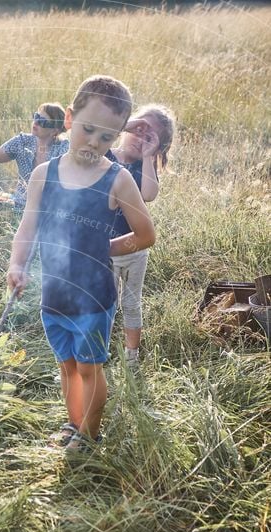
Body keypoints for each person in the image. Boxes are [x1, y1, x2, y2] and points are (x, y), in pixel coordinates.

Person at [6, 76, 155, 455]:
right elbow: (28, 226)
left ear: (117, 136)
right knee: (67, 365)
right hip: (54, 292)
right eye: (88, 130)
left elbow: (145, 234)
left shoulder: (117, 180)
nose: (94, 143)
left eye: (107, 137)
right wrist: (18, 264)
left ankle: (89, 435)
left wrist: (106, 249)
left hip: (93, 297)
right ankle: (73, 423)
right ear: (70, 119)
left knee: (89, 367)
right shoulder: (43, 175)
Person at [106, 104, 176, 367]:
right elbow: (96, 134)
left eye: (150, 137)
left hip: (135, 249)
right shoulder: (106, 156)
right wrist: (126, 124)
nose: (140, 138)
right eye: (138, 130)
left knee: (132, 303)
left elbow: (148, 194)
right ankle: (100, 350)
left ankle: (131, 357)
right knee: (106, 302)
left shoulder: (143, 167)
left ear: (157, 148)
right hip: (107, 247)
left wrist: (148, 156)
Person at [0, 103, 69, 209]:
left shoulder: (63, 148)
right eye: (36, 117)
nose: (36, 122)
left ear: (54, 130)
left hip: (49, 209)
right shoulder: (22, 141)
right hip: (20, 205)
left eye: (42, 121)